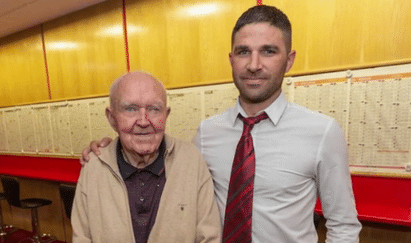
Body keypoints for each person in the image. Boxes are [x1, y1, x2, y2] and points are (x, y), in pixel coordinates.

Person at [81, 5, 361, 243]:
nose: (253, 64)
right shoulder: (207, 133)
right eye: (243, 52)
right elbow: (166, 169)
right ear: (231, 60)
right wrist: (109, 149)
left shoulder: (322, 132)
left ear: (289, 61)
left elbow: (343, 225)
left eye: (268, 51)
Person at [72, 71, 221, 243]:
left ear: (166, 115)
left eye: (154, 109)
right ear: (112, 118)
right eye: (130, 109)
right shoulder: (94, 168)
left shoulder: (192, 160)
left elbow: (210, 237)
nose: (143, 121)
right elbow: (81, 238)